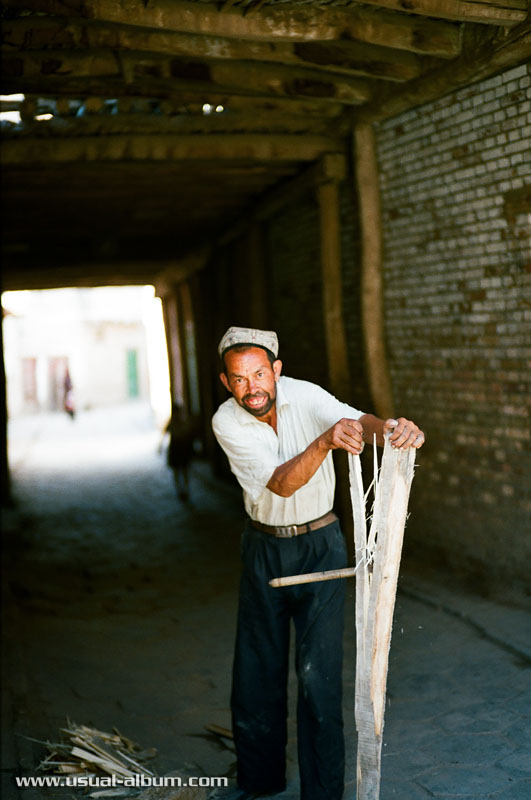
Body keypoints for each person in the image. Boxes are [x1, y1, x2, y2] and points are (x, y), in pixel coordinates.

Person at [211, 326, 425, 800]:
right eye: (239, 379)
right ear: (226, 383)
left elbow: (358, 422)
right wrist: (325, 442)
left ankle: (323, 793)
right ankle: (260, 781)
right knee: (257, 671)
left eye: (259, 374)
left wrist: (392, 430)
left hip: (321, 544)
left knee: (319, 677)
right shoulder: (226, 421)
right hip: (265, 548)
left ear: (276, 371)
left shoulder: (304, 395)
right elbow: (281, 484)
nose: (251, 387)